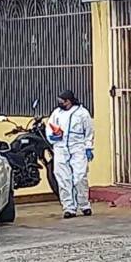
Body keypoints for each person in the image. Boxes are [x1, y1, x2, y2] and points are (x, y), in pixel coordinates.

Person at [46, 90, 94, 219]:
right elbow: (49, 129)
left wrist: (88, 147)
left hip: (78, 147)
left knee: (79, 177)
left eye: (63, 101)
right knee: (63, 179)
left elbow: (89, 132)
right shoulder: (56, 113)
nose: (60, 103)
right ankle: (69, 207)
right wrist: (53, 137)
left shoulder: (82, 113)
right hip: (60, 148)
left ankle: (84, 205)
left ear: (69, 101)